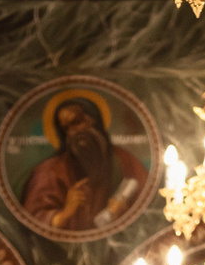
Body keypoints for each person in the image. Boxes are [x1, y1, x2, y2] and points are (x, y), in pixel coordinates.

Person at [19, 96, 146, 231]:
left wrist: (122, 212)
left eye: (77, 122)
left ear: (94, 120)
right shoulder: (49, 171)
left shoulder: (124, 160)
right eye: (66, 129)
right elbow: (33, 219)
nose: (73, 131)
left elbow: (150, 206)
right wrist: (65, 212)